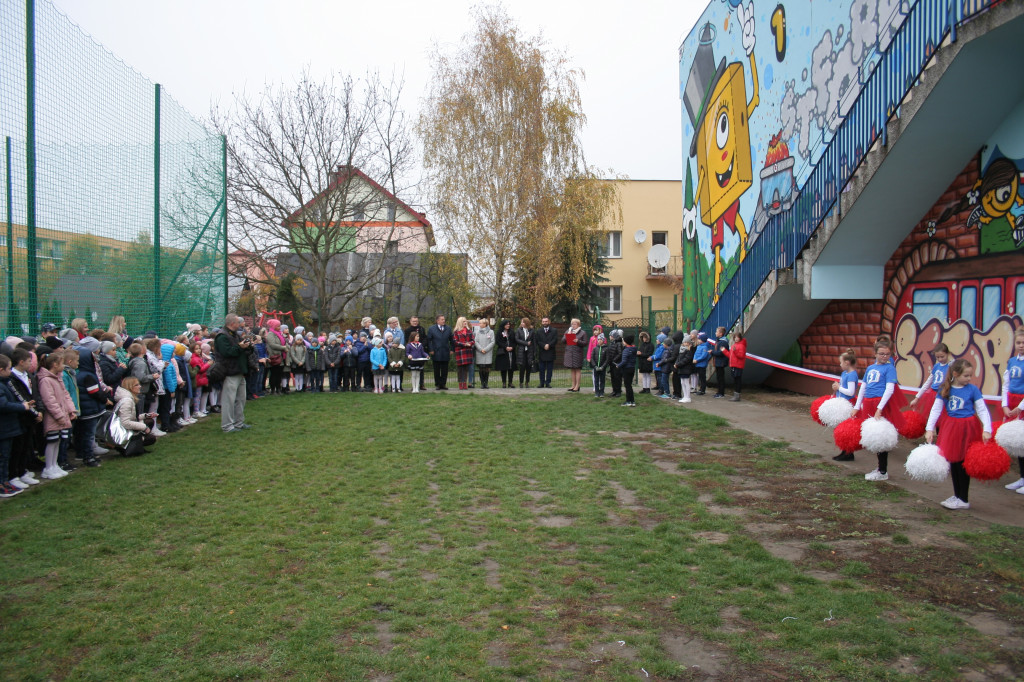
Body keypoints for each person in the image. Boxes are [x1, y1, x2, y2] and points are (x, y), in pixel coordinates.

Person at [926, 358, 992, 510]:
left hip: (968, 428)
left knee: (963, 463)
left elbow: (982, 409)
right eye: (966, 376)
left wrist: (987, 429)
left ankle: (964, 498)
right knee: (953, 462)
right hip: (951, 428)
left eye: (970, 376)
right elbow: (935, 409)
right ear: (955, 374)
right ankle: (957, 495)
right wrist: (929, 428)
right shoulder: (945, 388)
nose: (969, 379)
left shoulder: (973, 389)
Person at [854, 336, 906, 481]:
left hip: (880, 404)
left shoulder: (890, 368)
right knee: (874, 436)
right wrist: (858, 406)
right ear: (875, 353)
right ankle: (880, 468)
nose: (884, 356)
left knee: (881, 436)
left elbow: (889, 389)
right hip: (869, 403)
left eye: (887, 354)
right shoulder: (870, 368)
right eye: (881, 353)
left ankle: (882, 471)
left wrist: (879, 408)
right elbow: (863, 387)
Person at [37, 352, 76, 480]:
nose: (63, 366)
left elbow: (66, 395)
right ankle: (48, 467)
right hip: (54, 417)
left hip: (63, 415)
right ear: (54, 365)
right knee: (52, 441)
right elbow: (49, 400)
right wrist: (59, 415)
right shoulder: (46, 380)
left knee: (59, 440)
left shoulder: (58, 378)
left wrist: (71, 410)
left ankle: (54, 465)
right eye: (61, 363)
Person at [213, 315, 252, 433]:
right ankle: (227, 426)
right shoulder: (222, 336)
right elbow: (227, 352)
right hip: (229, 371)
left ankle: (238, 423)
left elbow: (240, 349)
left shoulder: (235, 334)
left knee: (241, 399)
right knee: (228, 400)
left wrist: (248, 346)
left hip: (239, 371)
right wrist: (240, 347)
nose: (240, 324)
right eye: (238, 322)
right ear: (232, 323)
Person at [1003, 328, 1024, 493]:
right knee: (1018, 443)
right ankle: (1022, 478)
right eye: (1018, 343)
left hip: (1022, 405)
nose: (1021, 346)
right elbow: (1006, 384)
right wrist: (1005, 405)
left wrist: (1020, 407)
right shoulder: (1011, 362)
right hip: (1012, 402)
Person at [831, 349, 860, 462]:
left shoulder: (852, 375)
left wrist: (839, 388)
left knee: (846, 429)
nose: (840, 364)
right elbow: (842, 387)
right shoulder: (844, 373)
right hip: (841, 402)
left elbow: (851, 392)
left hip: (847, 404)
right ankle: (844, 451)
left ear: (847, 362)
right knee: (841, 428)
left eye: (841, 362)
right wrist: (836, 388)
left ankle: (848, 452)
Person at [114, 377, 156, 455]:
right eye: (137, 385)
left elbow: (133, 417)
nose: (140, 386)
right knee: (151, 438)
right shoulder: (127, 401)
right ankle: (129, 447)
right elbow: (125, 422)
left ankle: (137, 444)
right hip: (124, 432)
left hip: (128, 429)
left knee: (149, 421)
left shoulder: (129, 398)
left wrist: (146, 415)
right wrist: (144, 427)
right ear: (130, 387)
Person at [909, 343, 951, 416]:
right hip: (933, 395)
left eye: (942, 356)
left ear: (947, 354)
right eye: (937, 357)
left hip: (944, 394)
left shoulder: (951, 366)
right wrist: (917, 398)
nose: (940, 359)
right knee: (933, 415)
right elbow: (928, 382)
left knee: (943, 416)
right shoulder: (936, 366)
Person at [427, 315, 453, 390]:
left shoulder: (448, 328)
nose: (443, 321)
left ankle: (443, 384)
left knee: (445, 369)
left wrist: (452, 349)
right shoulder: (432, 329)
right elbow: (429, 340)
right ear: (437, 321)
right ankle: (438, 384)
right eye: (442, 319)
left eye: (444, 319)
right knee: (437, 369)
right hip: (436, 352)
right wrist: (431, 349)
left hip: (445, 351)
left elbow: (451, 340)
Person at [264, 319, 288, 395]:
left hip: (280, 356)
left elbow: (283, 342)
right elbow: (272, 345)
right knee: (274, 374)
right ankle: (273, 389)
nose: (279, 327)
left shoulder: (279, 334)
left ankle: (278, 388)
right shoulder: (271, 334)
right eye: (278, 326)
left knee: (279, 374)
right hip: (274, 357)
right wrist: (283, 347)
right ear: (274, 326)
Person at [563, 319, 587, 392]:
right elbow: (563, 341)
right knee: (572, 369)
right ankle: (573, 385)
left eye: (574, 324)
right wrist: (567, 336)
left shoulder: (582, 333)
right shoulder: (568, 331)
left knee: (577, 369)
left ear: (578, 325)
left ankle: (577, 386)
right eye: (572, 324)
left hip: (578, 353)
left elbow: (585, 343)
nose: (573, 325)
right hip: (569, 353)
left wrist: (578, 341)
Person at [453, 317, 475, 390]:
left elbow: (473, 340)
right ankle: (460, 383)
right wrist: (464, 344)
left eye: (465, 321)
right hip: (460, 352)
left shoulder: (469, 331)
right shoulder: (456, 332)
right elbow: (455, 342)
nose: (465, 323)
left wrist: (470, 343)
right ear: (459, 322)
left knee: (466, 368)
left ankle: (464, 383)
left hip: (468, 352)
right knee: (460, 369)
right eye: (463, 321)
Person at [725, 331, 748, 401]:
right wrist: (724, 351)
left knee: (737, 380)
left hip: (738, 365)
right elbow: (730, 355)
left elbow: (741, 356)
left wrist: (735, 351)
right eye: (735, 337)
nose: (736, 339)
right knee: (735, 380)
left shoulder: (741, 346)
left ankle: (737, 395)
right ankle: (736, 395)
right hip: (733, 365)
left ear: (740, 338)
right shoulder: (734, 345)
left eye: (737, 337)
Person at [535, 318, 557, 388]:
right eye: (543, 321)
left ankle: (548, 382)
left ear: (549, 322)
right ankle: (541, 383)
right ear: (542, 322)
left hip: (550, 351)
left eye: (546, 321)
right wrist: (544, 345)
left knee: (550, 369)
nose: (545, 323)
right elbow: (537, 341)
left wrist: (549, 345)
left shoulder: (554, 330)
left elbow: (555, 340)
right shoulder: (539, 331)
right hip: (542, 351)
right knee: (541, 369)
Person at [616, 334, 637, 407]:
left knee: (627, 385)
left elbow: (624, 361)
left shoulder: (626, 350)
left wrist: (618, 365)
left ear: (626, 342)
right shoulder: (634, 349)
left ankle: (628, 401)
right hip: (632, 368)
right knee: (629, 385)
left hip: (627, 369)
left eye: (623, 341)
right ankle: (632, 401)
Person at [494, 320, 515, 388]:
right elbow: (498, 341)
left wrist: (512, 347)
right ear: (503, 325)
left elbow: (515, 341)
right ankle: (504, 383)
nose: (508, 325)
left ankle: (510, 382)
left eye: (509, 324)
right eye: (506, 324)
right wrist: (505, 347)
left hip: (511, 352)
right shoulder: (500, 332)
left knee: (511, 368)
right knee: (504, 368)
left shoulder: (511, 332)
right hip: (503, 352)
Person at [515, 318, 535, 388]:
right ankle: (521, 382)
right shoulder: (519, 330)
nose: (521, 323)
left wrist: (534, 352)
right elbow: (517, 339)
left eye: (523, 322)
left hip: (529, 352)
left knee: (528, 367)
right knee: (522, 367)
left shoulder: (531, 330)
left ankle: (527, 382)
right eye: (521, 322)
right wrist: (526, 343)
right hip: (522, 351)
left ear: (526, 323)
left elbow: (533, 341)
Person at [474, 319, 494, 389]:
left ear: (485, 324)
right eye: (479, 323)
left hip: (487, 353)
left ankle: (486, 383)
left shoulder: (491, 332)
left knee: (487, 368)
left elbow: (492, 342)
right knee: (481, 368)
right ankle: (482, 383)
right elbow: (475, 341)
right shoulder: (477, 332)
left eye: (481, 323)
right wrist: (481, 349)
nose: (479, 325)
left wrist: (485, 349)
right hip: (480, 352)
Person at [674, 336, 694, 403]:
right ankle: (684, 396)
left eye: (686, 342)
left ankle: (687, 397)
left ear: (689, 343)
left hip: (686, 369)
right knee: (682, 382)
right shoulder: (681, 350)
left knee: (686, 382)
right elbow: (678, 358)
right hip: (681, 368)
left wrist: (678, 364)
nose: (685, 343)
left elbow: (686, 360)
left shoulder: (689, 350)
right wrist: (676, 363)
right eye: (684, 342)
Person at [711, 326, 730, 398]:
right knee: (718, 377)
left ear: (721, 333)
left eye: (717, 332)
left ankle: (721, 393)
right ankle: (719, 392)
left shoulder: (723, 342)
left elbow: (721, 353)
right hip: (718, 362)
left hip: (721, 362)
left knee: (721, 378)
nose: (715, 333)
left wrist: (712, 352)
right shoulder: (719, 341)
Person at [591, 332, 609, 397]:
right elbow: (592, 358)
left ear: (603, 340)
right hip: (596, 367)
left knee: (602, 380)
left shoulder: (606, 349)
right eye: (598, 339)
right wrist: (595, 366)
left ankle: (601, 392)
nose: (599, 341)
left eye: (601, 339)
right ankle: (596, 392)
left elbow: (607, 359)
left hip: (602, 368)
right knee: (596, 380)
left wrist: (603, 366)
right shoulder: (595, 348)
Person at [607, 329, 625, 398]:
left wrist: (614, 360)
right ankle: (614, 391)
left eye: (610, 335)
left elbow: (620, 353)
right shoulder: (612, 343)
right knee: (613, 378)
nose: (610, 337)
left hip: (617, 364)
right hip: (612, 363)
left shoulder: (619, 344)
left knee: (617, 378)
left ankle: (618, 391)